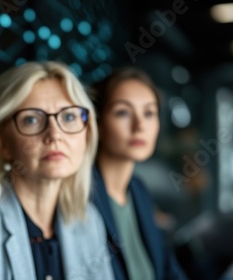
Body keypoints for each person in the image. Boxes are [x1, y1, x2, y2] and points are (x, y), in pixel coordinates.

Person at [0, 61, 114, 280]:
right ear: (2, 143)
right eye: (31, 119)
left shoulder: (90, 222)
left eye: (68, 117)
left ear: (87, 134)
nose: (54, 134)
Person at [90, 67, 187, 280]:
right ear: (98, 122)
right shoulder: (80, 194)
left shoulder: (139, 190)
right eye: (123, 112)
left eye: (149, 113)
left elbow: (168, 268)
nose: (139, 126)